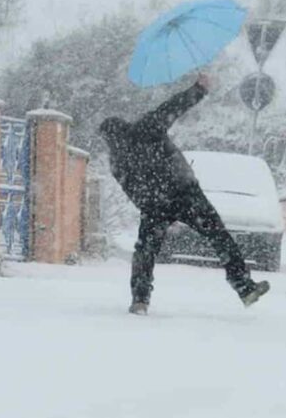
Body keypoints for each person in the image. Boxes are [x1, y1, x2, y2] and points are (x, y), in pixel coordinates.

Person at [98, 74, 270, 315]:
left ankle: (140, 300)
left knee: (145, 252)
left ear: (107, 139)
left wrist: (152, 206)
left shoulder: (117, 160)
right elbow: (173, 106)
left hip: (155, 205)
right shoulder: (147, 126)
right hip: (185, 193)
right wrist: (199, 89)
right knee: (219, 237)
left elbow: (132, 191)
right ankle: (244, 287)